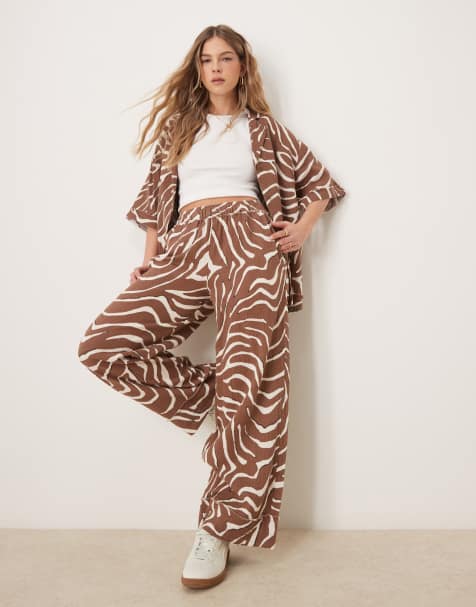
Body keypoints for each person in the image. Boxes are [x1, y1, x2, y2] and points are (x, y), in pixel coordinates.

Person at [77, 24, 346, 590]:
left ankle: (216, 528)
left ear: (243, 66)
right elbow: (155, 205)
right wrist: (150, 260)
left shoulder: (264, 130)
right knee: (102, 346)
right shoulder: (180, 129)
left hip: (251, 244)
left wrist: (301, 229)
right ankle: (213, 393)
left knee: (253, 379)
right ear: (197, 70)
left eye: (226, 58)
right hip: (189, 244)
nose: (216, 67)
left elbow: (320, 184)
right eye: (206, 60)